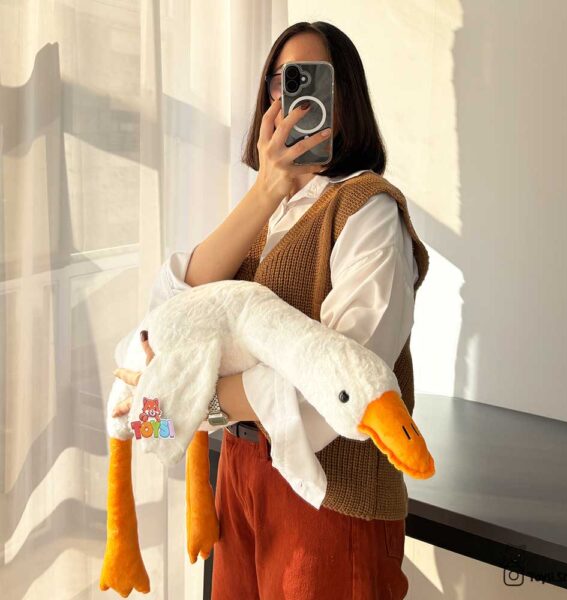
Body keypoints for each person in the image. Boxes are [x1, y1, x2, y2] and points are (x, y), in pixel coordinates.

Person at [118, 20, 429, 600]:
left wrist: (198, 395)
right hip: (239, 476)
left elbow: (340, 381)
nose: (295, 98)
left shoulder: (368, 210)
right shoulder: (271, 210)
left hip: (331, 496)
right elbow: (169, 313)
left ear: (345, 96)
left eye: (311, 79)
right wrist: (267, 189)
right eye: (281, 82)